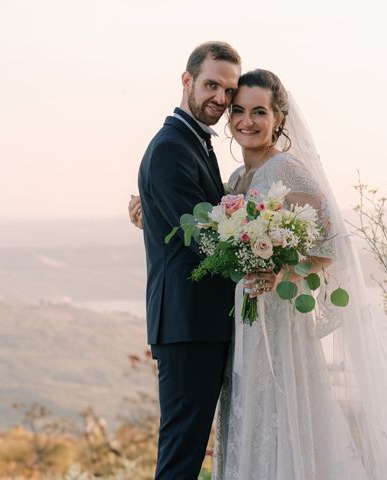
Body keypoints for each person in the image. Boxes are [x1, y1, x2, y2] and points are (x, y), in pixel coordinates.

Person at [131, 69, 387, 479]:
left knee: (282, 420)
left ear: (279, 118)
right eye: (238, 110)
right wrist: (147, 208)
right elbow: (207, 224)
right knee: (250, 420)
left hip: (279, 326)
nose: (246, 121)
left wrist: (283, 276)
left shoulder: (289, 171)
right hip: (245, 329)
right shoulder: (238, 179)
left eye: (259, 112)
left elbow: (331, 246)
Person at [134, 41, 240, 479]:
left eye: (228, 90)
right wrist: (265, 254)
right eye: (211, 84)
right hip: (187, 325)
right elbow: (202, 241)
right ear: (187, 81)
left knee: (189, 447)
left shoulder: (191, 143)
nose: (220, 97)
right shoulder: (173, 147)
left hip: (199, 323)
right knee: (181, 455)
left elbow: (182, 219)